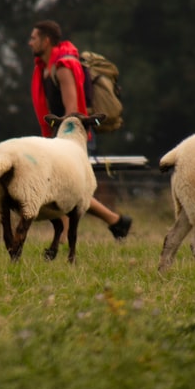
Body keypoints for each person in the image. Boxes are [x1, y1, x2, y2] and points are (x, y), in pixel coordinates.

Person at [28, 20, 132, 240]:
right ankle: (117, 222)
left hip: (74, 138)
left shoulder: (62, 68)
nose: (30, 43)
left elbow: (73, 110)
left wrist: (59, 143)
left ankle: (66, 238)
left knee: (67, 188)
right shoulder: (46, 69)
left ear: (46, 41)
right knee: (72, 189)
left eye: (34, 38)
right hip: (61, 138)